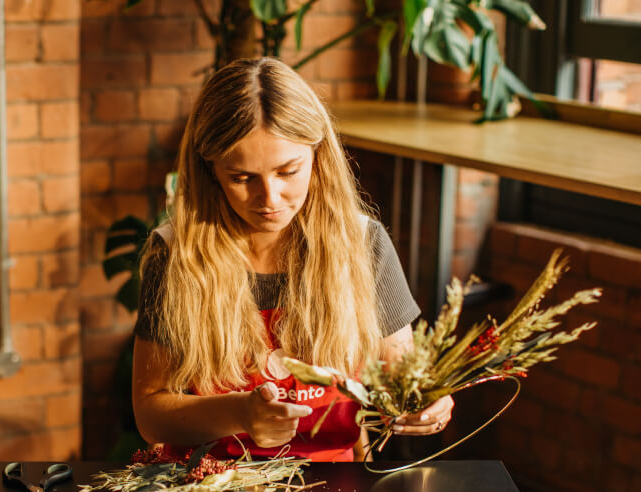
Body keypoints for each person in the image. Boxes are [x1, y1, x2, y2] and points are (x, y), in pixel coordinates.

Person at [132, 57, 453, 462]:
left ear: (317, 157)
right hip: (207, 483)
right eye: (242, 178)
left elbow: (404, 378)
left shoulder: (362, 244)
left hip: (334, 482)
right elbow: (150, 414)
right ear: (210, 171)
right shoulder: (176, 254)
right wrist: (239, 414)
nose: (269, 199)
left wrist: (427, 401)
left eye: (288, 172)